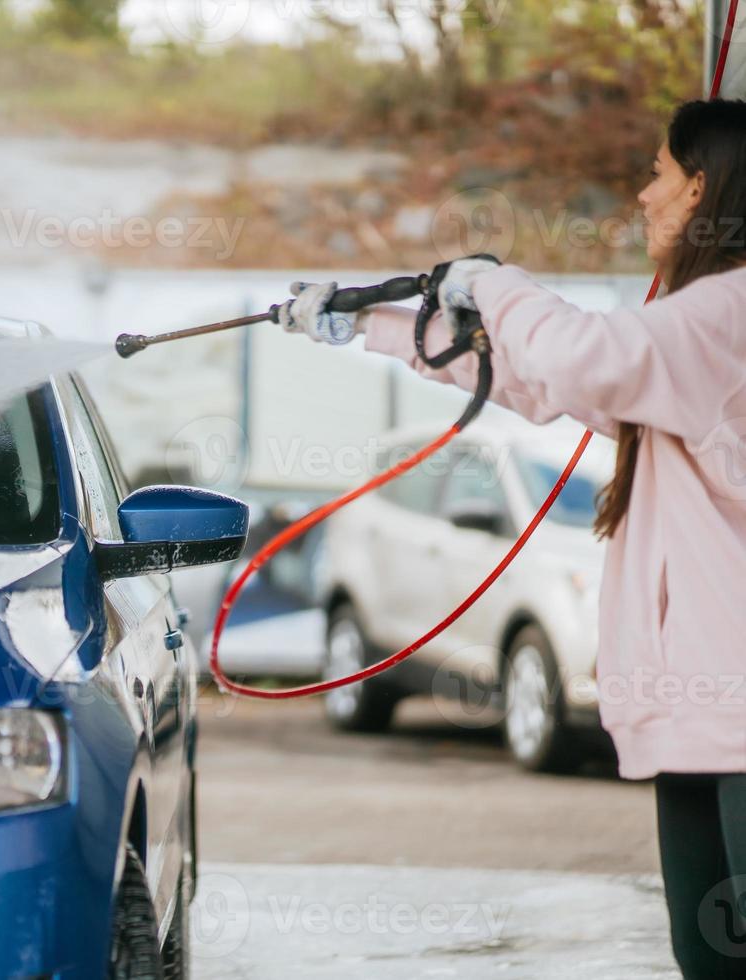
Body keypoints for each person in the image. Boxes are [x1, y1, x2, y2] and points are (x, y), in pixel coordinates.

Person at [279, 98, 746, 979]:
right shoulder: (695, 336)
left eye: (658, 174)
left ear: (705, 188)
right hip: (703, 722)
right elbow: (544, 379)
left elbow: (587, 357)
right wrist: (372, 327)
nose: (643, 197)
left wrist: (495, 279)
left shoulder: (730, 309)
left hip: (733, 714)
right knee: (709, 959)